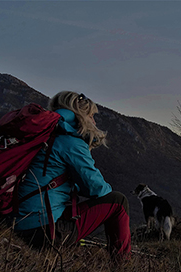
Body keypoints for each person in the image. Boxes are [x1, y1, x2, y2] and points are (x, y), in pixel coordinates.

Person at [13, 91, 131, 260]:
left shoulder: (42, 134)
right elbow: (96, 189)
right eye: (91, 115)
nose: (94, 121)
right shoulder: (70, 141)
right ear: (81, 116)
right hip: (43, 232)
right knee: (118, 201)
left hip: (16, 222)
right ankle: (123, 268)